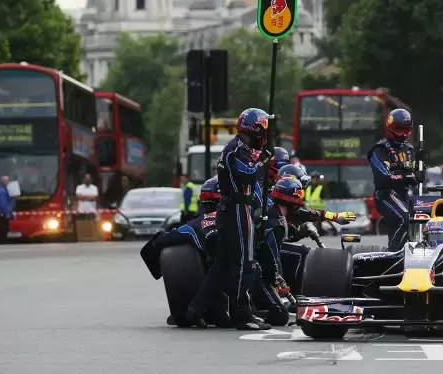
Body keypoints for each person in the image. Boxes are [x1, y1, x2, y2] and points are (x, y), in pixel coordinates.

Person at [186, 107, 274, 331]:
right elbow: (249, 173)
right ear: (254, 129)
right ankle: (243, 315)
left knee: (222, 266)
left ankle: (194, 311)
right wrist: (264, 159)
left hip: (233, 209)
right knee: (245, 262)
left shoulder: (239, 147)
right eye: (263, 130)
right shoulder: (236, 150)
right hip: (237, 209)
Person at [256, 168, 356, 325]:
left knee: (300, 254)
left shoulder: (274, 210)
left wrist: (334, 217)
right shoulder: (274, 220)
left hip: (259, 261)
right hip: (256, 268)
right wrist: (279, 282)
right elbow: (270, 256)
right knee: (280, 315)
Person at [140, 178, 231, 328]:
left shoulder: (193, 225)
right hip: (232, 276)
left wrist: (157, 269)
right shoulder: (235, 220)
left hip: (212, 275)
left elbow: (159, 242)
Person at [369, 108, 419, 251]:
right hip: (385, 194)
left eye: (406, 129)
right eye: (399, 129)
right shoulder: (380, 149)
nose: (402, 133)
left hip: (404, 195)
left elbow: (416, 177)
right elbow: (383, 178)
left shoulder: (409, 149)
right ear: (390, 127)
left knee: (419, 222)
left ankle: (409, 256)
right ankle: (393, 255)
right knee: (403, 219)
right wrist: (407, 177)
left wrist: (420, 171)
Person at [0, 175, 14, 243]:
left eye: (8, 180)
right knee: (4, 227)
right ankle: (2, 241)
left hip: (2, 212)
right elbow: (3, 203)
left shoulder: (3, 189)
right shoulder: (2, 190)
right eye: (6, 180)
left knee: (3, 226)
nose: (7, 182)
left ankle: (1, 240)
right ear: (3, 181)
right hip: (3, 213)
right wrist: (6, 213)